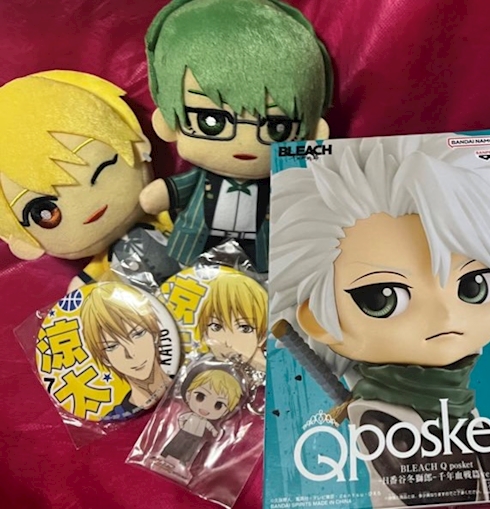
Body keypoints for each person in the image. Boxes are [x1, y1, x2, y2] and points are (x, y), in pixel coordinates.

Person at [269, 134, 490, 506]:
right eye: (383, 298)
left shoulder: (457, 397)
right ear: (318, 319)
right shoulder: (375, 414)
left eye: (473, 286)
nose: (445, 314)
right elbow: (426, 487)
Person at [139, 0, 333, 273]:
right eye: (211, 122)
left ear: (313, 135)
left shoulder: (281, 181)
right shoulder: (200, 178)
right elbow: (169, 193)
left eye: (276, 127)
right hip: (196, 248)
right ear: (167, 123)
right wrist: (161, 194)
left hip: (258, 255)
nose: (245, 142)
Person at [0, 70, 171, 290]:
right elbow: (86, 283)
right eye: (47, 214)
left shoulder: (167, 215)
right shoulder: (104, 262)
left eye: (102, 169)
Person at [82, 283, 170, 419]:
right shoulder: (114, 416)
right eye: (112, 346)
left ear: (154, 334)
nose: (131, 353)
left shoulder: (191, 383)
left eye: (138, 334)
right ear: (105, 358)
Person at [158, 367, 243, 479]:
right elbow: (182, 417)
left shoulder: (204, 421)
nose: (206, 407)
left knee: (190, 450)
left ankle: (183, 463)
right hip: (184, 432)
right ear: (188, 395)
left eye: (218, 405)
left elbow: (209, 426)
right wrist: (182, 424)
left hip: (197, 437)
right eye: (200, 396)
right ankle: (165, 456)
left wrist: (214, 431)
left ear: (226, 411)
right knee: (176, 444)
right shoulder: (191, 415)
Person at [197, 273, 267, 371]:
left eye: (244, 328)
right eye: (216, 327)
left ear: (262, 337)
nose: (228, 343)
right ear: (205, 333)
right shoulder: (201, 370)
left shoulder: (277, 370)